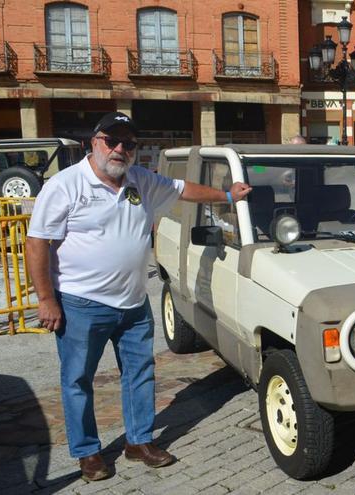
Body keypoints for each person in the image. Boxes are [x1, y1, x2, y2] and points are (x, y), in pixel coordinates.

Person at [25, 112, 252, 482]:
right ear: (93, 143)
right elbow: (37, 243)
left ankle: (138, 441)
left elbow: (183, 190)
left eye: (128, 144)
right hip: (82, 303)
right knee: (78, 380)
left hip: (133, 303)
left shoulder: (140, 180)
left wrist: (227, 195)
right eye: (111, 141)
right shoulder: (65, 185)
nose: (119, 149)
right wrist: (46, 299)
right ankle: (88, 452)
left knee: (140, 373)